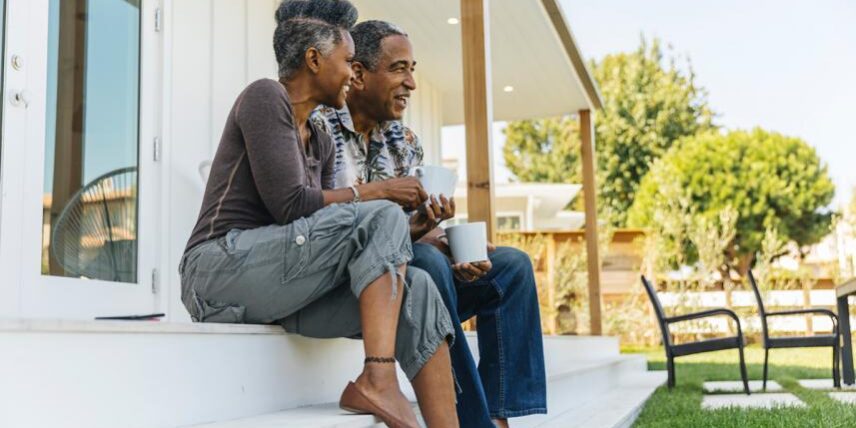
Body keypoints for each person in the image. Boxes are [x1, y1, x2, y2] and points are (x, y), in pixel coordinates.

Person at [180, 2, 458, 426]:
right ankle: (379, 380)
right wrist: (379, 191)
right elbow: (291, 205)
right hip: (216, 273)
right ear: (314, 59)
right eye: (348, 61)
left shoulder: (322, 140)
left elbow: (327, 230)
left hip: (283, 286)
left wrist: (414, 228)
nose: (352, 73)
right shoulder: (264, 97)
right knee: (379, 211)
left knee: (416, 286)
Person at [312, 20, 547, 428]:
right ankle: (471, 419)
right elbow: (324, 229)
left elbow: (414, 228)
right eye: (399, 69)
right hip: (355, 286)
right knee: (428, 263)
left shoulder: (404, 140)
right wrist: (423, 240)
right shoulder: (320, 129)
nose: (412, 83)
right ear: (360, 74)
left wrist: (449, 242)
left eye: (413, 69)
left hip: (413, 275)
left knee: (512, 267)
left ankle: (499, 414)